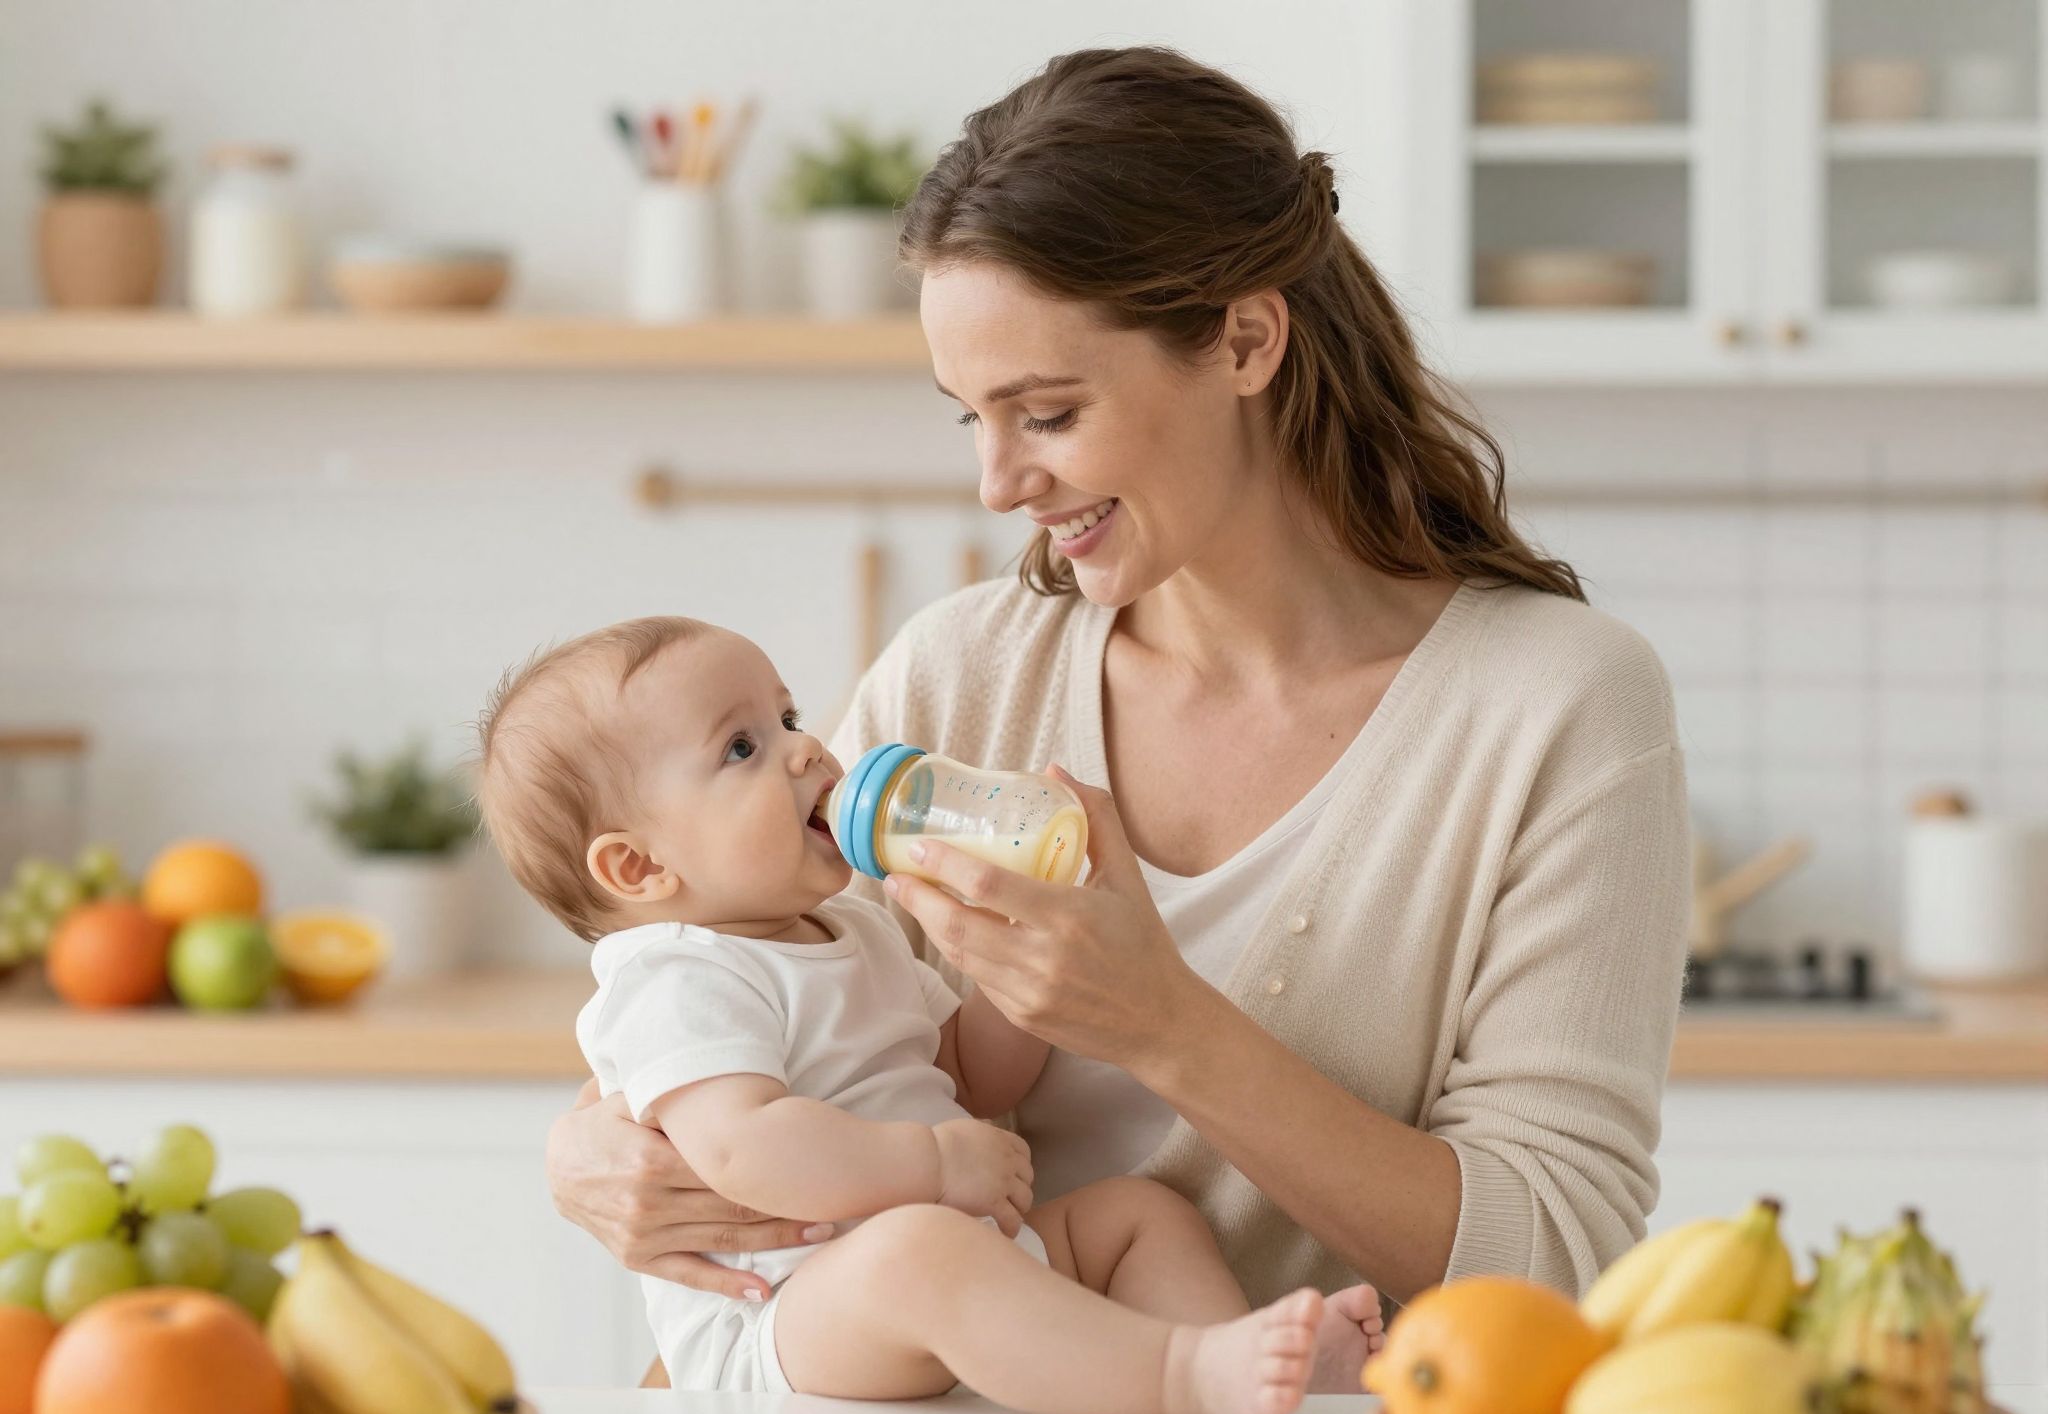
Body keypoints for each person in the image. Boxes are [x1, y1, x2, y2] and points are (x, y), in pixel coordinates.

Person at [546, 45, 1689, 1334]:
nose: (996, 484)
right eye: (966, 418)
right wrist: (586, 1150)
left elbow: (1555, 1265)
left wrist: (1164, 1028)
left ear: (1246, 339)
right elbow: (729, 1001)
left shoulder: (1556, 710)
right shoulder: (958, 674)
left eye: (1043, 412)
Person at [477, 616, 1383, 1414]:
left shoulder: (857, 926)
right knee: (921, 1248)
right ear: (639, 866)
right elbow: (743, 1150)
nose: (806, 753)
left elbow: (968, 1072)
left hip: (966, 1257)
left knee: (1137, 1217)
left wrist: (1022, 970)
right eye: (743, 747)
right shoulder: (674, 975)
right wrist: (935, 1165)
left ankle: (1270, 1388)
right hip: (787, 1331)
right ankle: (1188, 1377)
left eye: (789, 719)